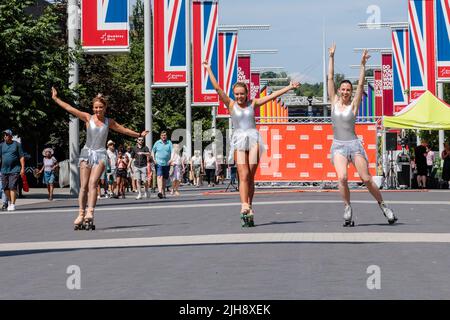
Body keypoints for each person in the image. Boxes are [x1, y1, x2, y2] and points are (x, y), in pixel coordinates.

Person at [204, 60, 299, 227]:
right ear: (234, 94)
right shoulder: (231, 104)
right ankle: (244, 205)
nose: (239, 96)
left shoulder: (253, 103)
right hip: (239, 140)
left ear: (247, 93)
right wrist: (209, 69)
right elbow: (218, 88)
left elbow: (271, 97)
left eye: (242, 93)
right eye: (237, 94)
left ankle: (250, 205)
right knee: (243, 174)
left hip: (254, 139)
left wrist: (289, 87)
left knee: (251, 176)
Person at [51, 87, 148, 230]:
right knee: (83, 186)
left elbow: (124, 130)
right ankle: (81, 213)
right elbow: (70, 108)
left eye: (100, 107)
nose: (97, 110)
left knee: (93, 183)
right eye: (95, 107)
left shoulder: (109, 122)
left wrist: (139, 134)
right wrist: (56, 98)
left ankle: (90, 212)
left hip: (101, 153)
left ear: (105, 108)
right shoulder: (87, 117)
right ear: (93, 108)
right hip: (86, 153)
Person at [327, 44, 397, 226]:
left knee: (366, 178)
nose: (344, 92)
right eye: (342, 89)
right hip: (338, 146)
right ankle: (347, 207)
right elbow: (330, 77)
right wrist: (332, 57)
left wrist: (363, 65)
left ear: (350, 93)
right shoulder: (334, 101)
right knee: (342, 177)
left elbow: (360, 84)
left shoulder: (354, 105)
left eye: (347, 90)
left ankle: (384, 206)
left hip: (354, 145)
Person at [0, 129, 25, 211]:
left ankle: (13, 204)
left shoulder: (17, 145)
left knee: (12, 186)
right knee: (5, 188)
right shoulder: (1, 145)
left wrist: (22, 168)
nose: (5, 136)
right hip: (4, 170)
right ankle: (10, 202)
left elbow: (21, 157)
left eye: (6, 135)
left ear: (10, 136)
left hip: (15, 169)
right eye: (4, 135)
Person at [152, 131, 173, 199]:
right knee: (159, 176)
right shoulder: (157, 143)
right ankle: (160, 191)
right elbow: (153, 151)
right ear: (160, 136)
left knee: (164, 178)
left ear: (166, 136)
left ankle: (163, 192)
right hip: (158, 163)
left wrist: (171, 159)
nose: (163, 136)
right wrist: (154, 159)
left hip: (166, 163)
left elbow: (172, 152)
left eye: (165, 135)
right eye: (162, 135)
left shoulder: (169, 143)